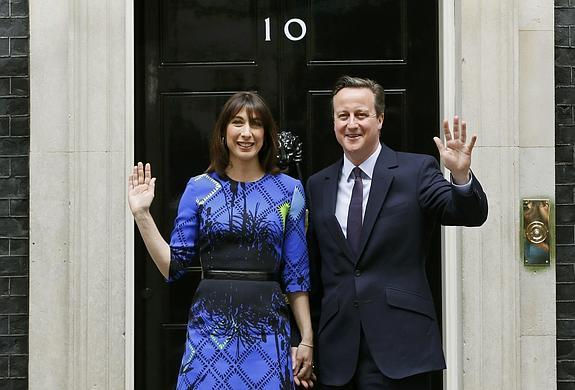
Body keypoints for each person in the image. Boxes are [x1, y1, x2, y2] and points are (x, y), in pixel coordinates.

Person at [306, 76, 488, 389]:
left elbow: (468, 213)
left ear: (380, 119)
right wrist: (304, 339)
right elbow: (313, 267)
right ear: (333, 121)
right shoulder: (317, 184)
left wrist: (460, 174)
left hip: (401, 348)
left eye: (361, 115)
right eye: (343, 116)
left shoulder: (416, 171)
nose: (352, 124)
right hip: (337, 353)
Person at [128, 92, 315, 389]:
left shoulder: (289, 190)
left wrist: (306, 339)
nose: (246, 133)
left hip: (267, 327)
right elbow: (173, 267)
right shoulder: (200, 188)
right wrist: (142, 215)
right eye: (237, 122)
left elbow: (295, 274)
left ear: (266, 134)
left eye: (255, 124)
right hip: (210, 329)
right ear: (223, 131)